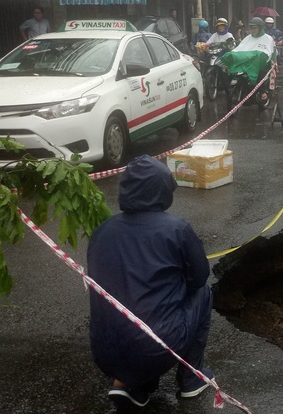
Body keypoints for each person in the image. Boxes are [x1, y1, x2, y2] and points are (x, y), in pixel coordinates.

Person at [87, 155, 214, 409]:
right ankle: (191, 379)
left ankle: (130, 385)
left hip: (104, 352)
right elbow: (199, 277)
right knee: (203, 294)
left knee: (136, 306)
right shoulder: (176, 229)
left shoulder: (103, 230)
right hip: (154, 347)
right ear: (163, 189)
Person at [227, 16, 276, 102]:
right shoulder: (248, 38)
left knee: (260, 72)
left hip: (263, 63)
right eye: (251, 28)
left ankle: (262, 91)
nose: (252, 30)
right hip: (248, 61)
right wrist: (232, 54)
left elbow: (268, 52)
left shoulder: (268, 38)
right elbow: (241, 47)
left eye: (254, 28)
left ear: (260, 28)